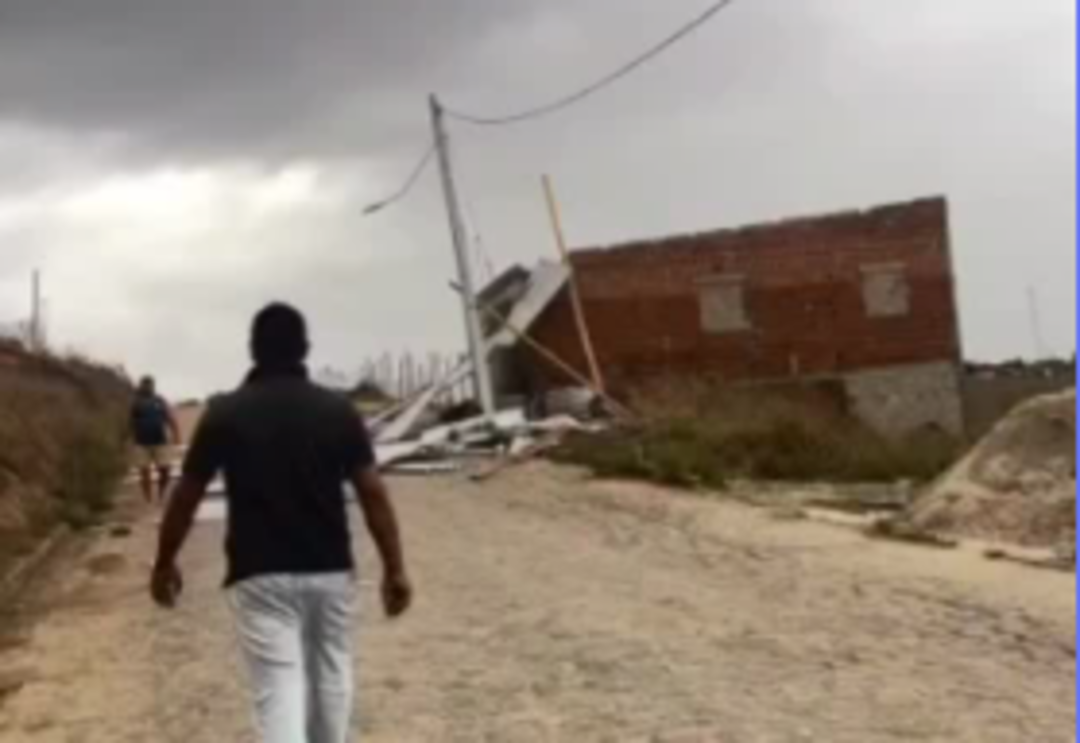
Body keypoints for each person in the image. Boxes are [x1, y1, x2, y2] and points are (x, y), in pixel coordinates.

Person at [150, 303, 412, 743]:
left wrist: (164, 562)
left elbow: (186, 495)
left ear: (253, 350)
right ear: (304, 349)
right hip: (329, 570)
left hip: (259, 574)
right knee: (332, 675)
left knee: (279, 688)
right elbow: (373, 493)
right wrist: (394, 568)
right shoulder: (337, 411)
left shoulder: (225, 413)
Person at [130, 376, 182, 504]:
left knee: (165, 470)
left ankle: (161, 494)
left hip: (160, 441)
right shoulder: (135, 401)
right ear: (141, 386)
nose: (148, 387)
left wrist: (176, 434)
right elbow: (129, 422)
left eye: (150, 384)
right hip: (141, 443)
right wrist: (128, 439)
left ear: (153, 386)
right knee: (144, 472)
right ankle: (148, 499)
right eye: (145, 384)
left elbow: (170, 417)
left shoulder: (160, 400)